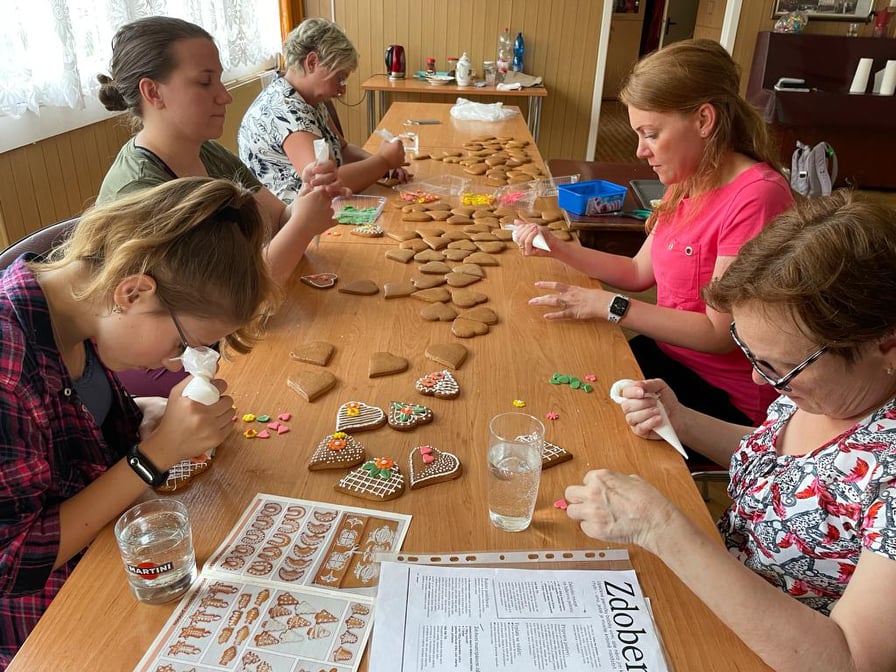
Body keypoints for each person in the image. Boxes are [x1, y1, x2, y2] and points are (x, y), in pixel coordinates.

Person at [566, 191, 896, 672]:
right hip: (719, 599)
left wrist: (664, 531)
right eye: (752, 354)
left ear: (886, 346)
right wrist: (682, 421)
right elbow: (788, 475)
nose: (763, 381)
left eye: (781, 367)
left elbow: (850, 660)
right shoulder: (838, 386)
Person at [0, 177, 277, 668]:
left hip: (118, 547)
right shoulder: (7, 361)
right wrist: (154, 456)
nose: (178, 363)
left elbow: (82, 430)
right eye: (183, 344)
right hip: (47, 620)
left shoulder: (82, 312)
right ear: (133, 292)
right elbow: (15, 563)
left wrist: (144, 417)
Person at [517, 39, 793, 428]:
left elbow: (719, 334)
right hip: (672, 358)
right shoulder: (690, 178)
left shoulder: (757, 197)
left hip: (721, 392)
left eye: (650, 134)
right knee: (560, 372)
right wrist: (559, 249)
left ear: (703, 120)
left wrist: (609, 306)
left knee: (581, 420)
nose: (640, 151)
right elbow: (637, 271)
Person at [96, 16, 342, 397]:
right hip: (172, 367)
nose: (224, 96)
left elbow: (277, 218)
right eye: (205, 81)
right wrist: (303, 226)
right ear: (153, 92)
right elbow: (232, 304)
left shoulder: (206, 151)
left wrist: (306, 200)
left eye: (220, 80)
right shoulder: (142, 191)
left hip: (229, 337)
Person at [238, 17, 410, 201]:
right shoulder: (286, 111)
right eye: (340, 78)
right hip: (289, 221)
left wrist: (383, 164)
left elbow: (342, 149)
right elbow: (326, 187)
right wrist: (383, 161)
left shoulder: (308, 100)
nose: (343, 89)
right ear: (312, 62)